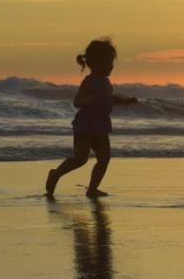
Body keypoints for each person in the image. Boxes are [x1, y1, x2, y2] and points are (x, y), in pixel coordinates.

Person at [46, 38, 138, 198]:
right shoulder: (89, 82)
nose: (112, 66)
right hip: (86, 124)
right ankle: (55, 174)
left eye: (112, 62)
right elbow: (76, 101)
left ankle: (92, 189)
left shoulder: (106, 81)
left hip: (101, 125)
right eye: (108, 62)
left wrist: (125, 101)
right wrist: (86, 101)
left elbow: (109, 97)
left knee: (104, 158)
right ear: (95, 63)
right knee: (80, 159)